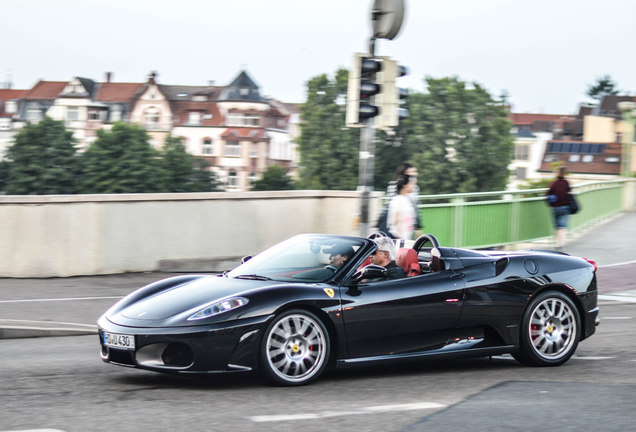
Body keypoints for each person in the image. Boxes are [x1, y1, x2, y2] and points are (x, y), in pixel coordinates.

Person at [547, 166, 571, 251]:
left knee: (557, 226)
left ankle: (557, 242)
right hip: (564, 207)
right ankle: (561, 243)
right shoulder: (566, 183)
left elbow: (549, 194)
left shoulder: (553, 183)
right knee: (562, 226)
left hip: (555, 207)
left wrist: (551, 204)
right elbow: (568, 193)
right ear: (565, 174)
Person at [387, 173, 416, 240]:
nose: (413, 186)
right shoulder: (398, 200)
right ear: (405, 185)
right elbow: (397, 219)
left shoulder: (406, 199)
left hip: (406, 237)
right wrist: (399, 236)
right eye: (411, 184)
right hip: (400, 238)